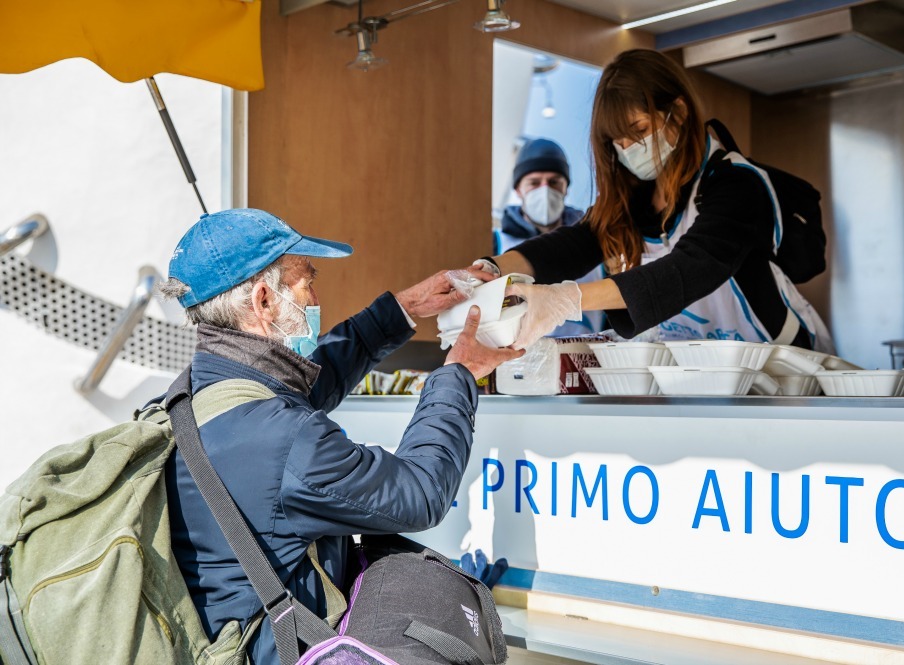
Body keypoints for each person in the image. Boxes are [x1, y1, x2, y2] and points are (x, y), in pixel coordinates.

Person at [156, 208, 522, 664]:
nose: (315, 297)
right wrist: (459, 374)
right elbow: (421, 492)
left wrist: (404, 309)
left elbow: (302, 384)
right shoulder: (286, 441)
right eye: (307, 282)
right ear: (264, 301)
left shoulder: (193, 398)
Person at [471, 49, 833, 353]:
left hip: (779, 362)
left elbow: (689, 268)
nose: (628, 149)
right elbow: (573, 244)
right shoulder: (636, 197)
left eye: (639, 131)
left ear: (678, 111)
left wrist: (568, 299)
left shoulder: (736, 183)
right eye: (618, 141)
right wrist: (491, 269)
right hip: (701, 367)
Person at [496, 138, 602, 337]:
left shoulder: (597, 243)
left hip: (584, 360)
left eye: (554, 182)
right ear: (518, 189)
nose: (545, 190)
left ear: (566, 188)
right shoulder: (498, 244)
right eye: (534, 183)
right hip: (516, 362)